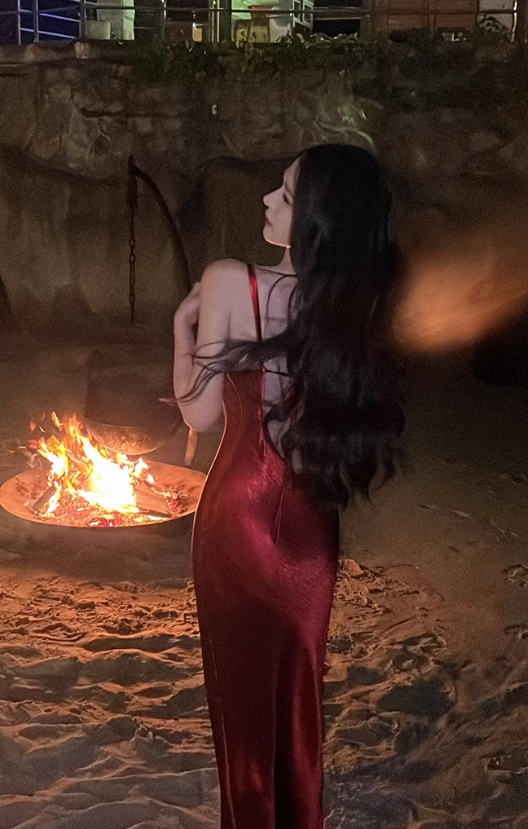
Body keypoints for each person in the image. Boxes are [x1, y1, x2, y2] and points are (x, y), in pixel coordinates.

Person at [172, 143, 404, 829]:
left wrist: (181, 326)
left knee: (239, 706)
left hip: (233, 522)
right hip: (311, 529)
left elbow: (198, 413)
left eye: (285, 194)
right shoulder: (352, 308)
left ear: (316, 221)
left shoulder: (227, 282)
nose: (267, 200)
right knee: (296, 700)